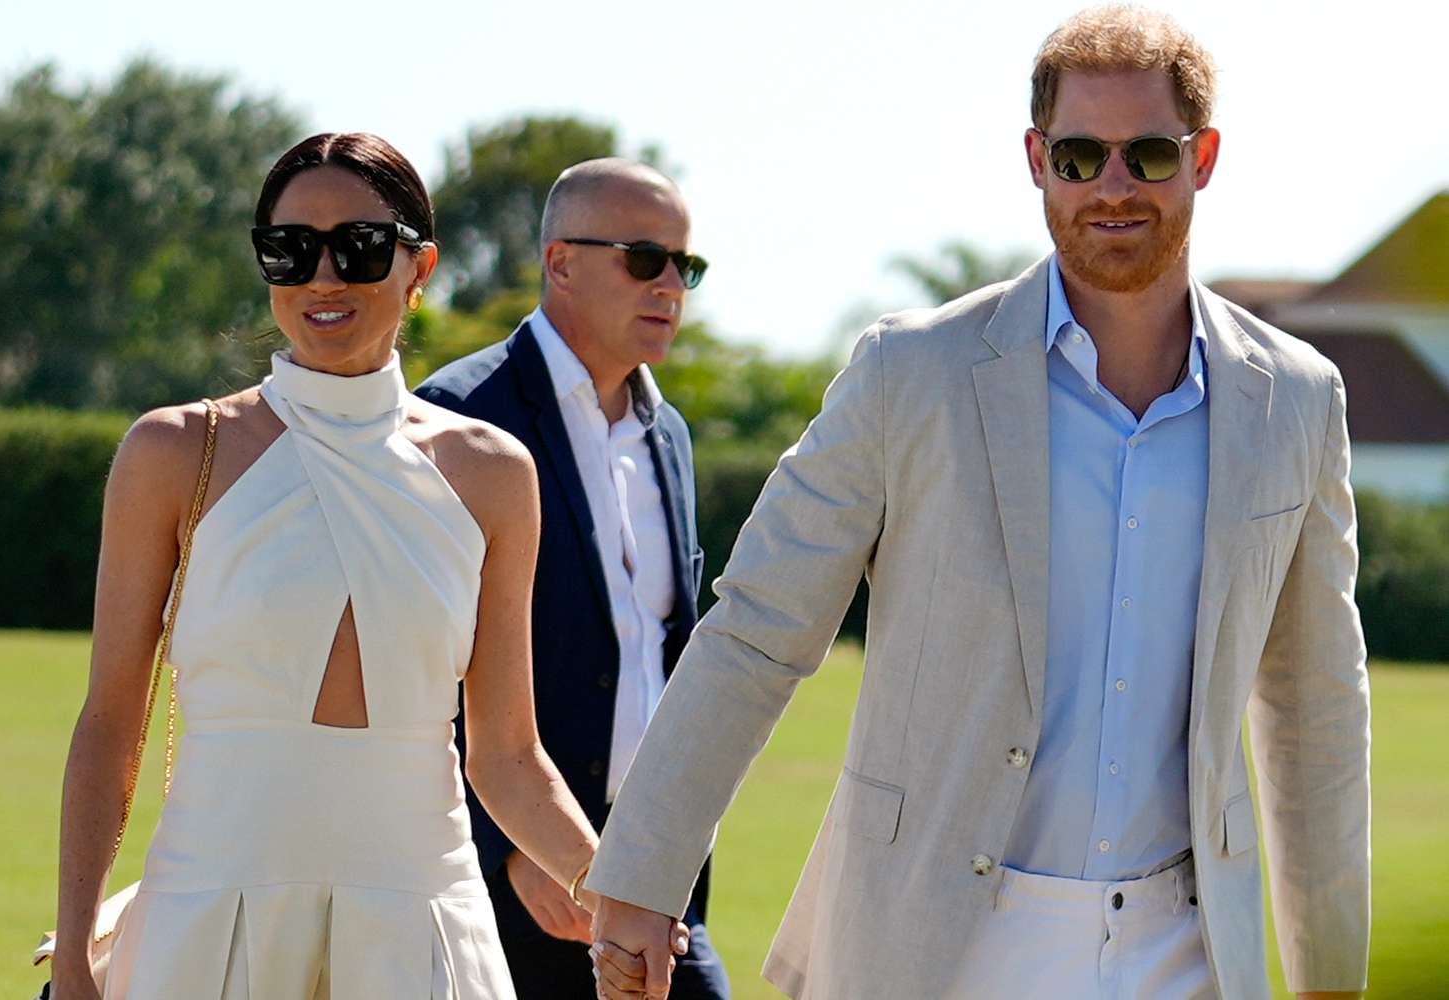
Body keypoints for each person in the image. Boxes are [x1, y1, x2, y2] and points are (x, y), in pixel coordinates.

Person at [586, 7, 1369, 1000]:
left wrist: (1332, 973)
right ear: (1037, 159)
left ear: (1203, 157)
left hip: (1187, 949)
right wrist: (643, 875)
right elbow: (757, 632)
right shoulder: (908, 372)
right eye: (1081, 155)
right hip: (940, 942)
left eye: (1148, 155)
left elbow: (1316, 709)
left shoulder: (1297, 399)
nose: (1113, 186)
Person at [51, 132, 604, 1000]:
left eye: (359, 247)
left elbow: (507, 754)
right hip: (209, 914)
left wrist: (611, 893)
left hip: (422, 920)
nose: (322, 277)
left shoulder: (494, 472)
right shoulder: (171, 450)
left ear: (420, 269)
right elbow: (111, 722)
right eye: (289, 250)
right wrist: (80, 945)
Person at [416, 158, 731, 999]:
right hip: (506, 895)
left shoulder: (671, 439)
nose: (669, 284)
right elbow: (413, 666)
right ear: (560, 262)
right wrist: (508, 847)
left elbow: (665, 653)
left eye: (684, 266)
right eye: (643, 258)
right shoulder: (457, 417)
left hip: (657, 880)